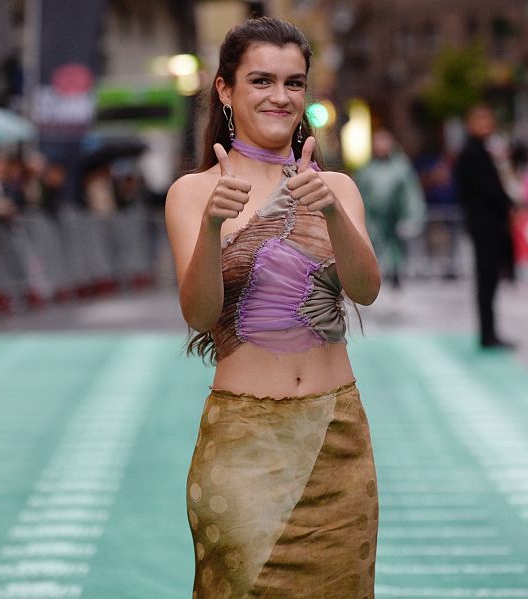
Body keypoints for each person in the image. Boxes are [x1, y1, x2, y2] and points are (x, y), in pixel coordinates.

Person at [165, 17, 381, 597]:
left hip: (338, 442)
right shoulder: (192, 192)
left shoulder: (337, 187)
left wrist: (332, 211)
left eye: (294, 82)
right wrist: (212, 225)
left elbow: (365, 289)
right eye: (261, 80)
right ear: (225, 90)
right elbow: (197, 312)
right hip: (243, 442)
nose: (280, 96)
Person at [453, 104, 517, 349]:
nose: (488, 125)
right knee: (486, 279)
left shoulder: (480, 151)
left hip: (487, 223)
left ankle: (489, 332)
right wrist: (507, 204)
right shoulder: (472, 154)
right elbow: (488, 190)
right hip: (484, 225)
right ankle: (487, 334)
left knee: (489, 280)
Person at [355, 128, 425, 288]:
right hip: (373, 219)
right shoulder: (367, 169)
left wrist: (412, 218)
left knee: (395, 252)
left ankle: (395, 278)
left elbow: (411, 194)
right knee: (374, 249)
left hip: (395, 217)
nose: (381, 146)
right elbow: (359, 194)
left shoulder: (401, 167)